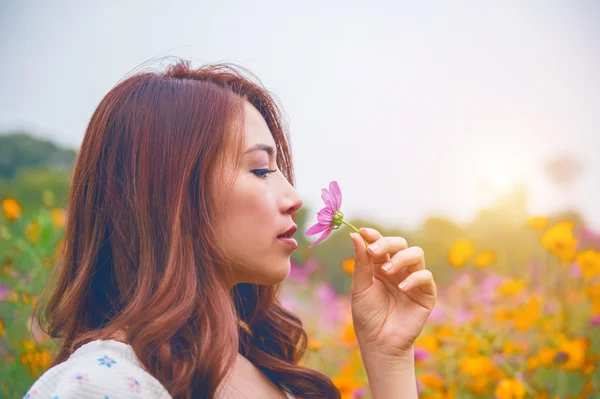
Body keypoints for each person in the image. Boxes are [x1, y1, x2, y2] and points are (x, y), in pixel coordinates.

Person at [24, 59, 437, 399]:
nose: (294, 197)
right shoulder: (100, 384)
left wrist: (389, 359)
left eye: (279, 170)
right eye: (260, 169)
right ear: (171, 193)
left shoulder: (260, 370)